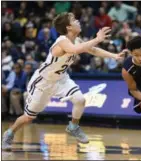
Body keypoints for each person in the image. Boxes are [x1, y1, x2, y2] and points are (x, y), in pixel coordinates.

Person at [2, 12, 125, 150]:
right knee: (28, 117)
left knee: (80, 100)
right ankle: (9, 133)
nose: (78, 21)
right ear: (68, 27)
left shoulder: (76, 40)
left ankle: (73, 126)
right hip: (43, 82)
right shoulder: (61, 41)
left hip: (61, 79)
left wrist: (113, 55)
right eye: (74, 20)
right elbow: (74, 50)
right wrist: (97, 38)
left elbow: (93, 50)